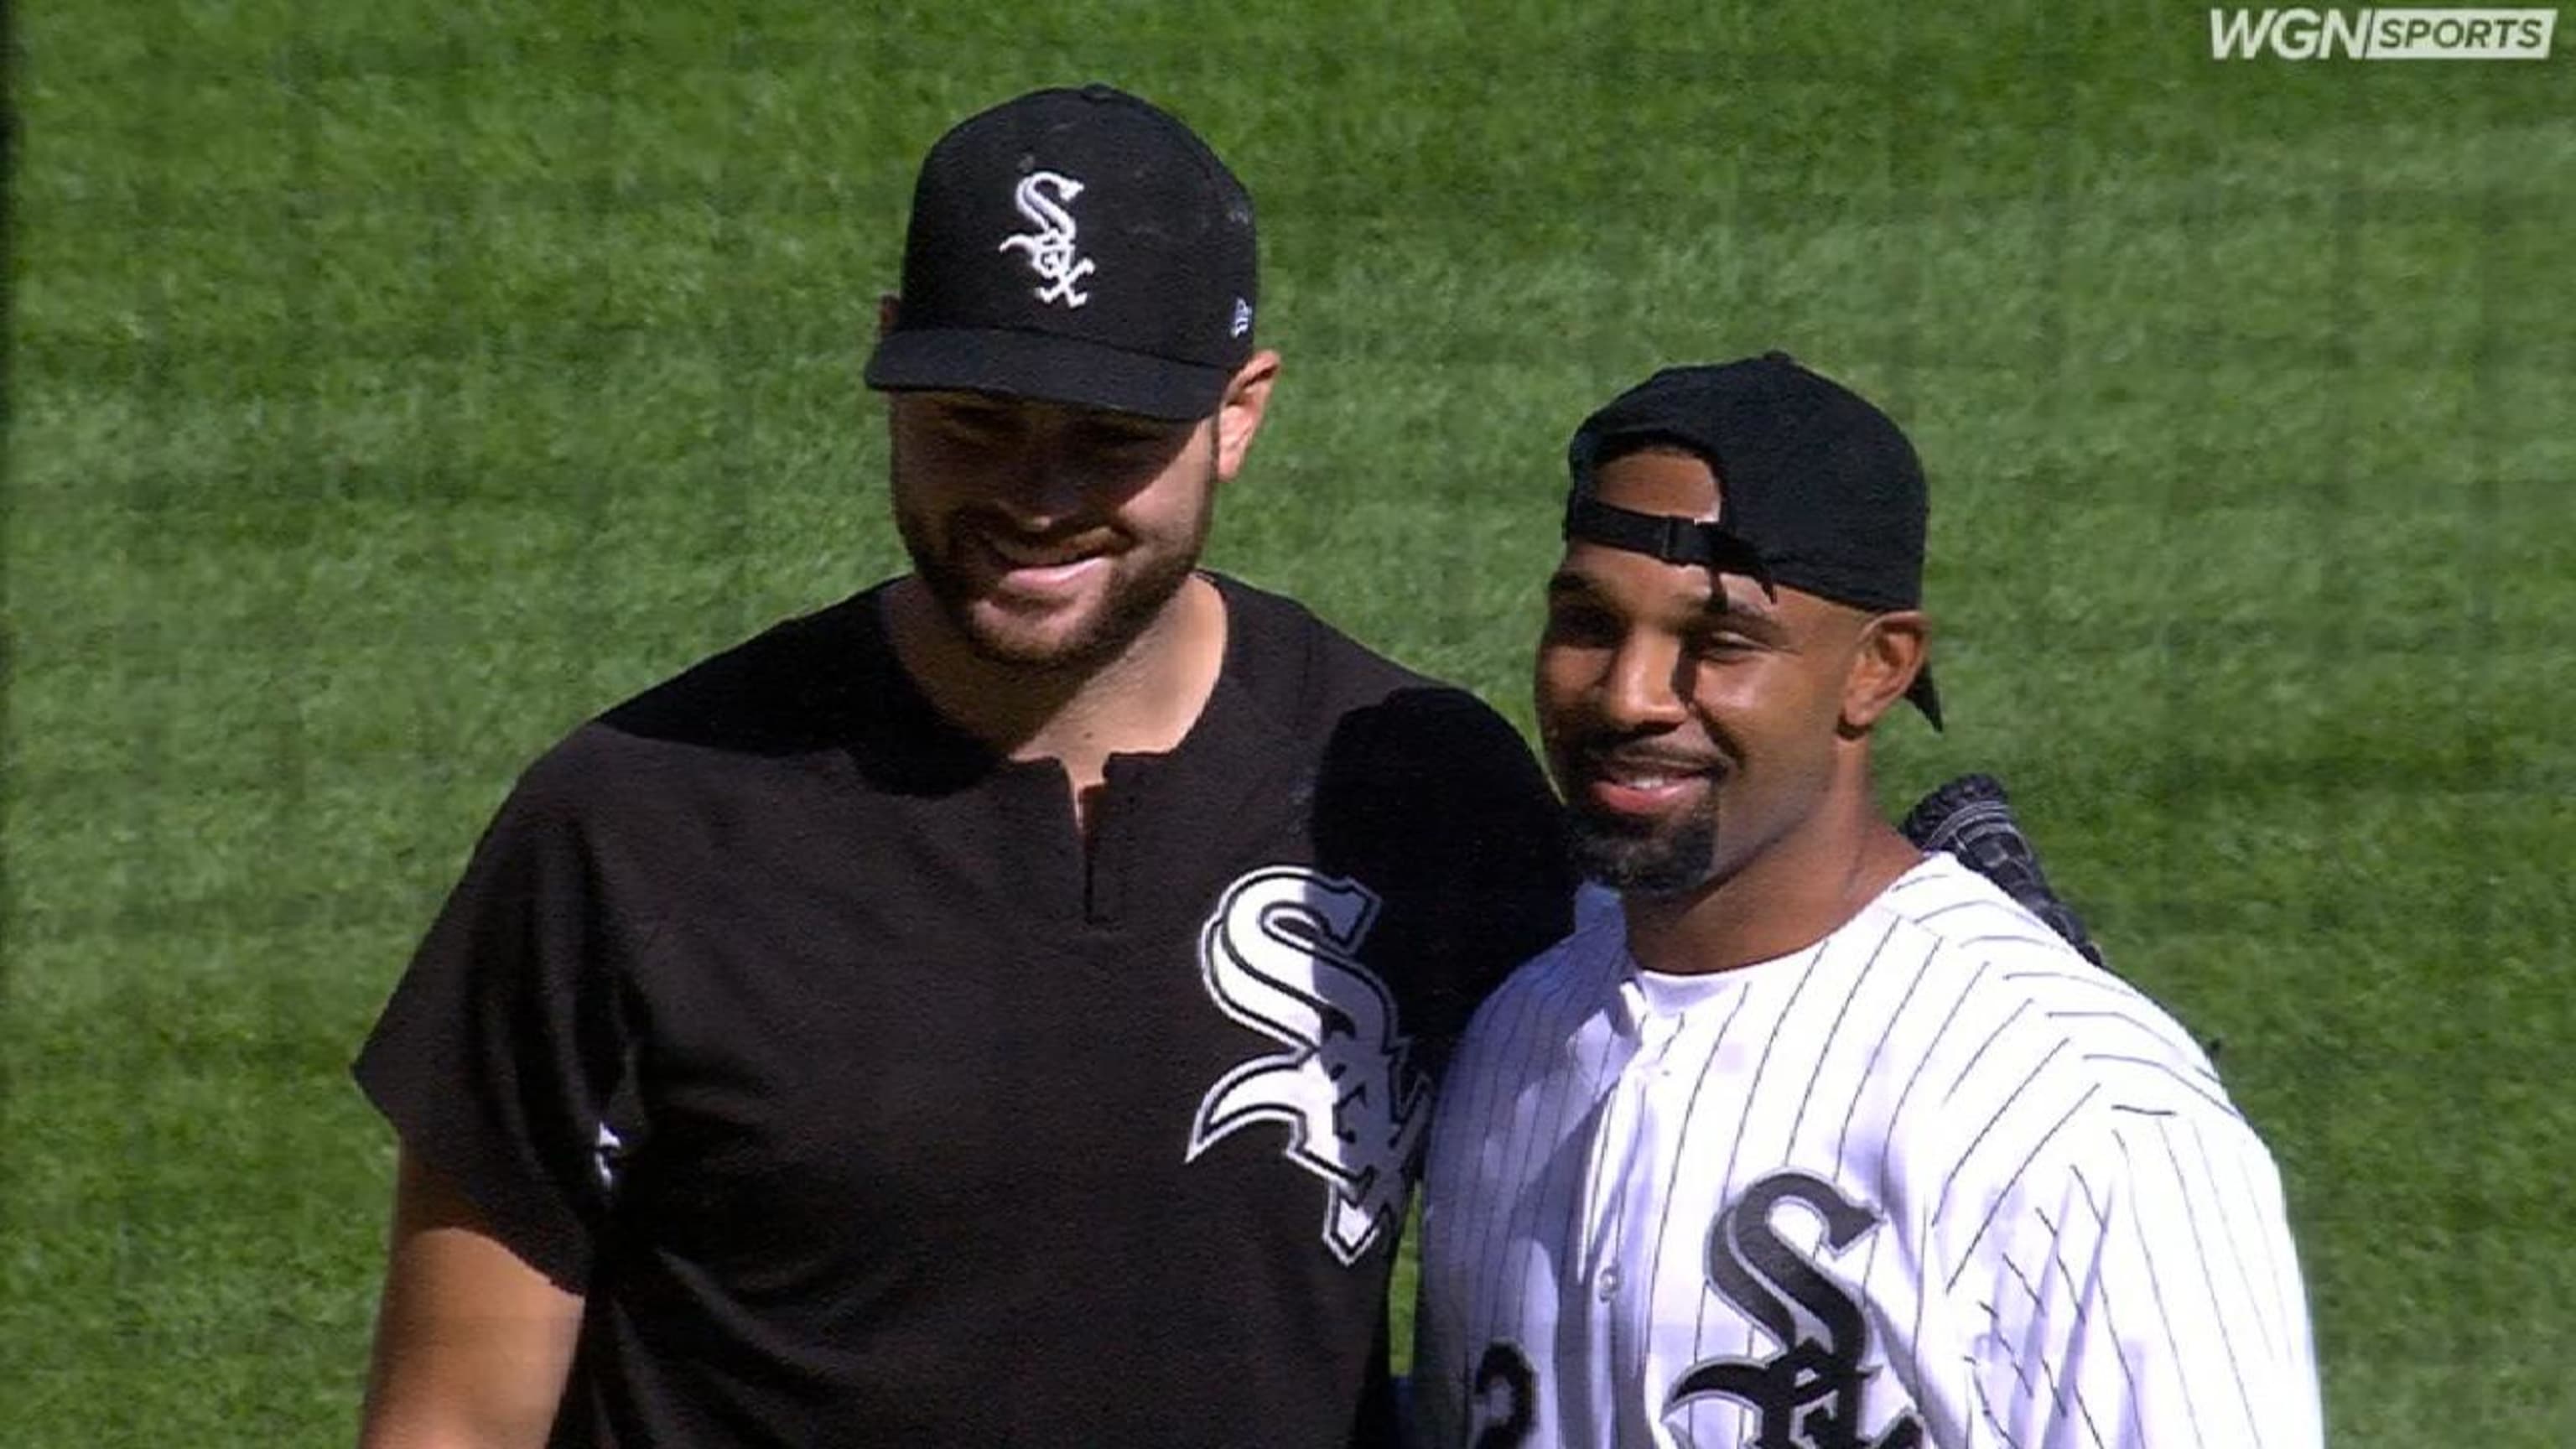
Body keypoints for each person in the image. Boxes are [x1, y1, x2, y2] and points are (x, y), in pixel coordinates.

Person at [352, 84, 1571, 1448]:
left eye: (1109, 441)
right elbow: (454, 1416)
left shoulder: (1418, 795)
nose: (1036, 501)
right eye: (972, 422)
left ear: (1240, 413)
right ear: (887, 358)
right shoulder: (636, 822)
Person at [1411, 356, 2323, 1449]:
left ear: (1876, 670)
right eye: (1590, 622)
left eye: (1720, 642)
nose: (1629, 695)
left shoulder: (2085, 1115)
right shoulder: (1513, 1040)